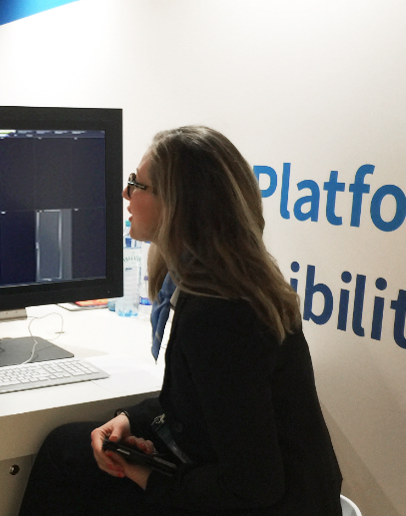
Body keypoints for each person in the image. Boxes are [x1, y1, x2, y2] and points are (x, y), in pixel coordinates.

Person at [18, 126, 342, 515]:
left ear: (178, 205)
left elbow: (254, 486)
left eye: (137, 184)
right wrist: (130, 419)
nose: (125, 194)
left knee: (68, 462)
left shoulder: (218, 314)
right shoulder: (225, 284)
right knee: (68, 447)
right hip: (280, 491)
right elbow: (201, 405)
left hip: (267, 504)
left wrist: (148, 477)